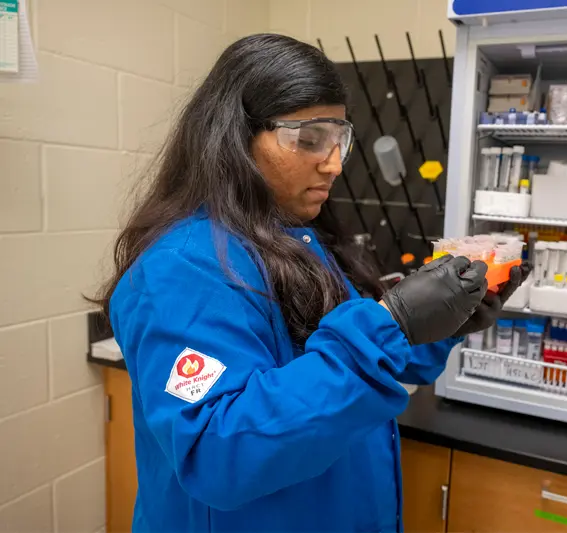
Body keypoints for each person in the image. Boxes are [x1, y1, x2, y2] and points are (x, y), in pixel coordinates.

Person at [97, 34, 523, 532]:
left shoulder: (295, 239)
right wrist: (391, 321)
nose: (334, 164)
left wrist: (441, 325)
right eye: (309, 139)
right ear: (235, 138)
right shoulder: (183, 267)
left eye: (339, 139)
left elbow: (351, 372)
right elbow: (217, 453)